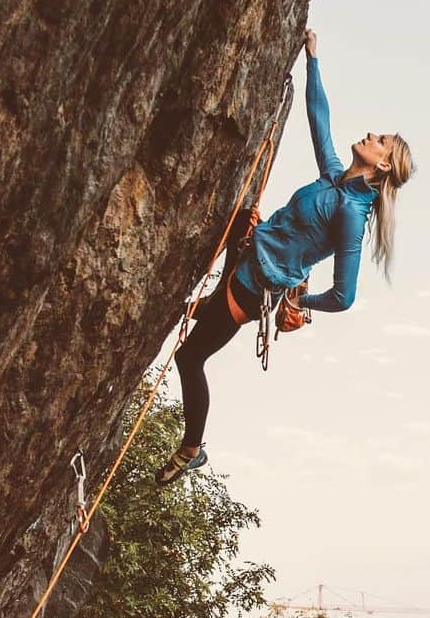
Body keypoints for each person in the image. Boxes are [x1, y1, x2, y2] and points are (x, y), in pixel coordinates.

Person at [156, 28, 416, 484]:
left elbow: (344, 295)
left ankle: (192, 447)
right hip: (249, 255)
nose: (373, 133)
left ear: (382, 165)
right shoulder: (335, 178)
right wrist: (312, 59)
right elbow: (319, 119)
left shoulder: (352, 213)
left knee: (189, 358)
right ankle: (197, 306)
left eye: (382, 140)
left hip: (251, 287)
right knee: (229, 216)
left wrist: (299, 302)